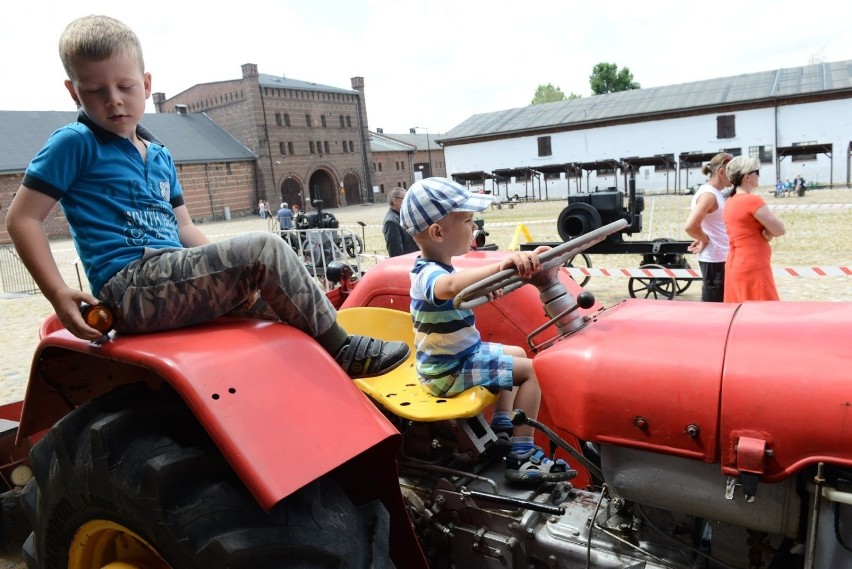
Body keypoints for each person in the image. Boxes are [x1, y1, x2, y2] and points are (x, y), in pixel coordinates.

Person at [4, 14, 407, 380]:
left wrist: (235, 268)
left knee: (287, 308)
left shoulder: (159, 155)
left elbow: (184, 228)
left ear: (146, 84)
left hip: (173, 277)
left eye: (125, 86)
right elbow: (22, 219)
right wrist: (58, 294)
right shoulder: (76, 143)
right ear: (73, 92)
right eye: (95, 91)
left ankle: (333, 374)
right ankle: (345, 352)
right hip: (129, 289)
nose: (113, 99)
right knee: (265, 249)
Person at [400, 177, 576, 485]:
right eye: (467, 221)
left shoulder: (444, 269)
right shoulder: (427, 273)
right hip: (447, 371)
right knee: (533, 371)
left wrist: (491, 287)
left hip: (460, 356)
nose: (474, 227)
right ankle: (522, 455)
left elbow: (457, 294)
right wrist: (500, 266)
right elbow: (451, 287)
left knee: (518, 353)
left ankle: (502, 429)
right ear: (438, 232)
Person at [723, 157, 786, 302]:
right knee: (762, 313)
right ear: (747, 177)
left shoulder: (730, 201)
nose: (759, 175)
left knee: (740, 312)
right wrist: (767, 232)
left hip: (736, 261)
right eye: (756, 172)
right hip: (752, 263)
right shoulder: (751, 200)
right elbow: (780, 230)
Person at [683, 152, 731, 302]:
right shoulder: (709, 195)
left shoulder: (714, 193)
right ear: (721, 171)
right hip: (715, 260)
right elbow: (690, 226)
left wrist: (703, 237)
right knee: (714, 309)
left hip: (719, 257)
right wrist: (704, 239)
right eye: (732, 172)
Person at [382, 187, 418, 257]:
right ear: (395, 200)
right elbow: (395, 253)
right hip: (407, 263)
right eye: (405, 199)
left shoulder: (402, 215)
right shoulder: (391, 222)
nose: (408, 202)